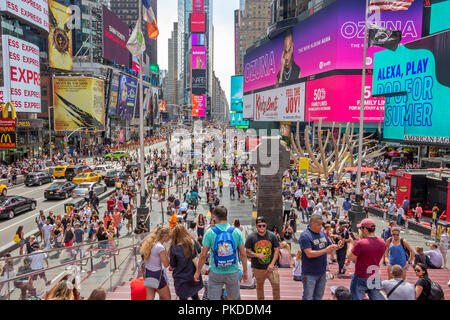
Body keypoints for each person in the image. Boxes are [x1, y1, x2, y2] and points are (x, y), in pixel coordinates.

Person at [193, 205, 248, 300]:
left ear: (214, 217)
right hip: (233, 271)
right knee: (233, 298)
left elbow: (203, 255)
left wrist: (197, 272)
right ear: (226, 215)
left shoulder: (210, 232)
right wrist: (245, 271)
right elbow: (243, 254)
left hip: (215, 271)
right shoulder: (236, 232)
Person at [299, 214, 339, 300]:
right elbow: (309, 254)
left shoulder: (322, 234)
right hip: (309, 273)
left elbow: (330, 245)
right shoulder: (305, 236)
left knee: (318, 296)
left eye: (322, 224)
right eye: (319, 224)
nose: (321, 227)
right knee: (308, 297)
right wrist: (325, 250)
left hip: (321, 272)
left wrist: (337, 246)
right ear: (312, 223)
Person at [346, 218, 386, 300]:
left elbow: (350, 257)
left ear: (364, 229)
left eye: (361, 228)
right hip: (375, 275)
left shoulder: (360, 243)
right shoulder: (382, 242)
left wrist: (351, 245)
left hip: (361, 275)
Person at [245, 216, 280, 300]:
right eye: (259, 225)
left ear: (266, 225)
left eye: (263, 225)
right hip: (258, 268)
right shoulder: (251, 237)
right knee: (259, 289)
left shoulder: (272, 236)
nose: (261, 227)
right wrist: (257, 255)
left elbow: (277, 250)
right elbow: (247, 251)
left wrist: (272, 264)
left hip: (271, 267)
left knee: (276, 286)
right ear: (256, 226)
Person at [169, 224, 203, 300]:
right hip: (194, 275)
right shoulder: (193, 242)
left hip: (181, 278)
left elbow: (172, 265)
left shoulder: (174, 248)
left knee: (182, 298)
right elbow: (200, 253)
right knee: (195, 296)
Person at [140, 226, 171, 300]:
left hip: (148, 272)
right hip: (157, 275)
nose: (170, 238)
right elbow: (166, 264)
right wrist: (168, 253)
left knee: (150, 297)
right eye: (169, 236)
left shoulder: (151, 244)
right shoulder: (160, 247)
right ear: (164, 236)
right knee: (167, 297)